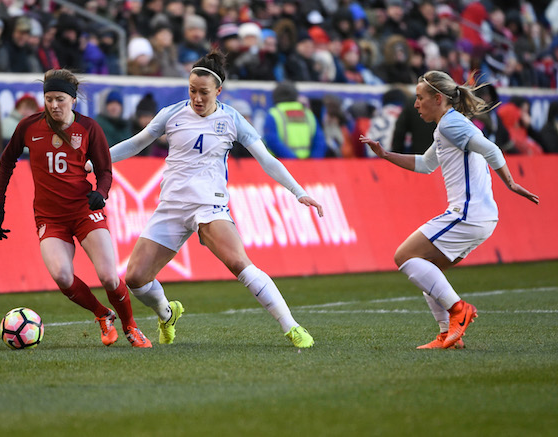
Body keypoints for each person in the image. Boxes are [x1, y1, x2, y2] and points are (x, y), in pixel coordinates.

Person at [109, 50, 324, 348]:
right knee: (135, 278)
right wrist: (95, 163)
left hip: (209, 205)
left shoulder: (233, 119)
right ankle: (167, 313)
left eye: (204, 93)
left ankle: (292, 327)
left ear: (218, 91)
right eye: (192, 91)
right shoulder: (171, 114)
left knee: (239, 262)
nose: (197, 98)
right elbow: (135, 144)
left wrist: (299, 191)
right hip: (171, 205)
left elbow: (267, 160)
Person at [360, 71, 539, 350]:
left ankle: (459, 311)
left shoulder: (450, 125)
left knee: (404, 256)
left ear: (438, 98)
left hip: (467, 213)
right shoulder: (448, 125)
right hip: (479, 216)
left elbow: (492, 149)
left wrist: (511, 183)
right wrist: (385, 155)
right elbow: (426, 164)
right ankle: (449, 335)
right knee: (425, 269)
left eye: (420, 98)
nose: (416, 104)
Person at [0, 69, 152, 349]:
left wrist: (101, 194)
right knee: (62, 276)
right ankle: (102, 314)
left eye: (60, 99)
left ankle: (131, 327)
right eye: (49, 99)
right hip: (50, 217)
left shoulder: (89, 128)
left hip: (84, 212)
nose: (54, 105)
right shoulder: (29, 127)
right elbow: (6, 163)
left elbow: (104, 171)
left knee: (109, 277)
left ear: (73, 101)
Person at [264, 82, 325, 159]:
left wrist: (293, 160)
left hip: (281, 166)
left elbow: (272, 141)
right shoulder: (308, 114)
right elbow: (319, 142)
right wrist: (312, 162)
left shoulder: (274, 114)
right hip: (307, 166)